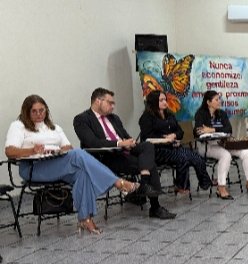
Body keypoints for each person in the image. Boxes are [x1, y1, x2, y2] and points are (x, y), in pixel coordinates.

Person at [6, 95, 148, 234]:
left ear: (46, 110)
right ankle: (118, 183)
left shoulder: (53, 127)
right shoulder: (18, 126)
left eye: (41, 110)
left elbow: (68, 147)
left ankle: (85, 219)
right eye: (34, 111)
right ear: (26, 112)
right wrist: (32, 150)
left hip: (55, 162)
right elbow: (10, 151)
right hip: (33, 167)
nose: (39, 114)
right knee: (78, 154)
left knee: (82, 172)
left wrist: (56, 150)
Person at [74, 87, 175, 220]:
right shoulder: (82, 119)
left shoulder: (114, 118)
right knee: (150, 165)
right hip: (106, 157)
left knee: (147, 145)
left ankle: (144, 184)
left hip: (125, 151)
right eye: (110, 103)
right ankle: (154, 206)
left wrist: (130, 141)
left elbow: (125, 136)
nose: (113, 106)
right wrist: (119, 143)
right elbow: (92, 142)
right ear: (98, 101)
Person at [139, 90, 213, 194]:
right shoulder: (146, 117)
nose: (165, 102)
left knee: (196, 157)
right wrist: (165, 139)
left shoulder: (169, 115)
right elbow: (147, 137)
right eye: (161, 100)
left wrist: (174, 135)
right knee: (183, 158)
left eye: (165, 99)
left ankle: (205, 183)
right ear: (154, 102)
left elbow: (180, 132)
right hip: (157, 151)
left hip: (173, 147)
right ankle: (182, 187)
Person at [194, 90, 248, 199]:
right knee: (226, 155)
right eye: (216, 100)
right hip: (206, 146)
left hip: (224, 143)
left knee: (247, 152)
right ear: (208, 102)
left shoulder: (222, 114)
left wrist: (212, 129)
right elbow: (198, 131)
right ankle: (221, 187)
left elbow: (228, 129)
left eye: (219, 99)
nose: (219, 101)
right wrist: (212, 131)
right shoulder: (200, 114)